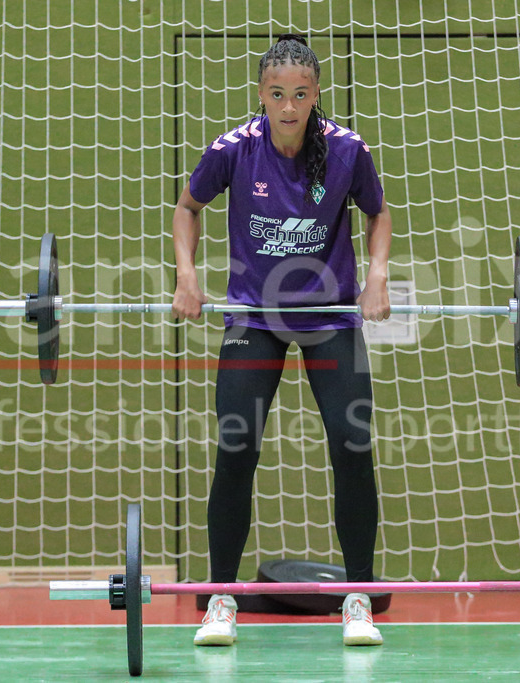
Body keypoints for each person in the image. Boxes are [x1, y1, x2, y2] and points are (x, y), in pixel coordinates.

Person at [172, 34, 392, 647]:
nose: (289, 106)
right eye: (277, 95)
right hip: (254, 315)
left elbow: (379, 215)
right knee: (236, 446)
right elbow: (187, 208)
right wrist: (188, 279)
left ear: (316, 93)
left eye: (300, 94)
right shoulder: (234, 149)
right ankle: (221, 599)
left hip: (330, 315)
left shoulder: (347, 150)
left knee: (352, 444)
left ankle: (359, 599)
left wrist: (376, 278)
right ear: (262, 96)